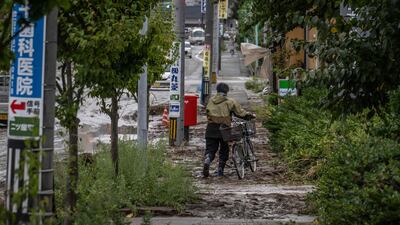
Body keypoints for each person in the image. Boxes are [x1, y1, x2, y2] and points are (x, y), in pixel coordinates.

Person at [203, 83, 255, 177]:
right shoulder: (230, 101)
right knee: (224, 150)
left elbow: (207, 111)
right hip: (224, 129)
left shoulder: (210, 100)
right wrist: (249, 116)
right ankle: (220, 170)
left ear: (217, 90)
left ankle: (208, 158)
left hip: (211, 128)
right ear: (226, 91)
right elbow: (240, 113)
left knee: (210, 149)